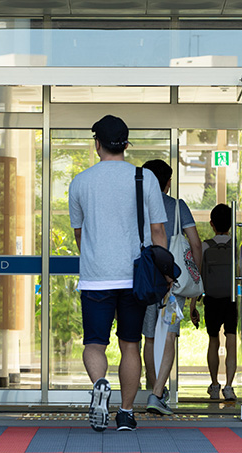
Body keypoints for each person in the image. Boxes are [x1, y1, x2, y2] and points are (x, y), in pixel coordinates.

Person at [68, 115, 167, 432]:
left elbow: (80, 235)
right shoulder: (145, 178)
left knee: (94, 344)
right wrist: (164, 275)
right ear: (126, 144)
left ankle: (99, 384)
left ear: (96, 144)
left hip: (96, 276)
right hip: (135, 276)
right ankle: (125, 412)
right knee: (130, 345)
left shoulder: (80, 182)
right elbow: (158, 231)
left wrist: (96, 258)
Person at [140, 160, 202, 416]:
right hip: (173, 285)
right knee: (169, 335)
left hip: (144, 280)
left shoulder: (137, 207)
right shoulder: (177, 206)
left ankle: (155, 389)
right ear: (167, 183)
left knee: (149, 337)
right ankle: (156, 393)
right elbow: (196, 244)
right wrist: (193, 276)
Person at [196, 203, 242, 401]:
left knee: (213, 341)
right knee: (232, 341)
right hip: (231, 299)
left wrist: (194, 304)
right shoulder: (237, 247)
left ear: (211, 224)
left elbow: (198, 275)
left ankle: (214, 384)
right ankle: (229, 386)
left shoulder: (205, 246)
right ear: (231, 224)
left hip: (211, 299)